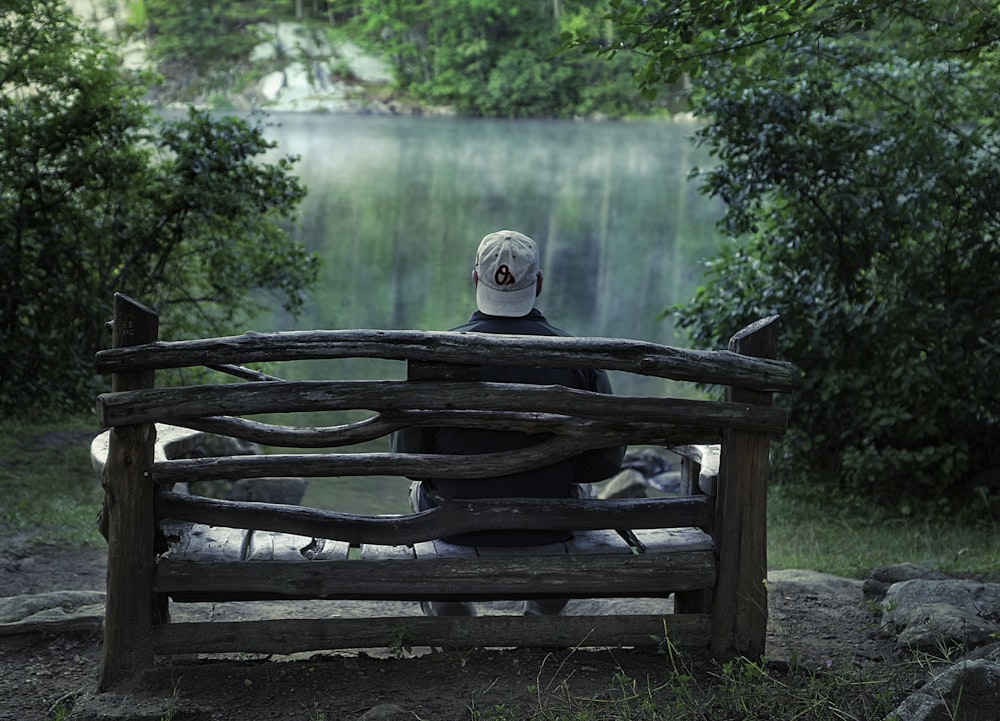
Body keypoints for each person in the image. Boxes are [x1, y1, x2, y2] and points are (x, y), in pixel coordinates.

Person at [391, 229, 625, 616]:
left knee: (419, 489)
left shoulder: (439, 355)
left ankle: (454, 621)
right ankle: (542, 616)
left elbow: (407, 458)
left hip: (456, 526)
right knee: (575, 498)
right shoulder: (578, 357)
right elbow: (606, 463)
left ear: (475, 280)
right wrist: (558, 468)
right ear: (539, 283)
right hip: (549, 525)